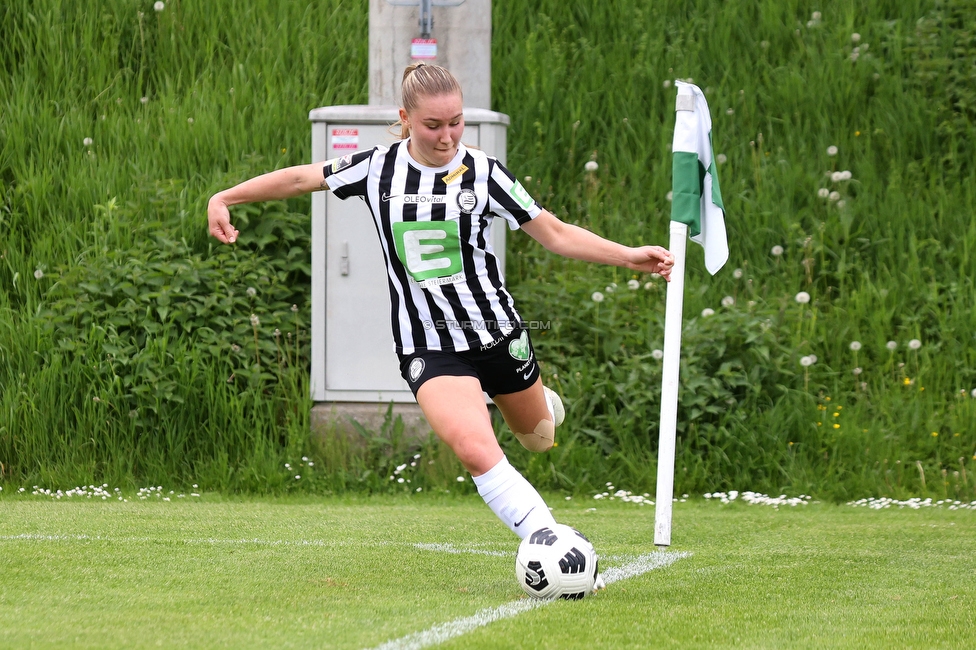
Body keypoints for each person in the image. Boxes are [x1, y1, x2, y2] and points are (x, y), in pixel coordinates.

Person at [208, 63, 673, 548]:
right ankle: (547, 540)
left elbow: (553, 233)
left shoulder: (485, 173)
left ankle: (540, 400)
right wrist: (225, 197)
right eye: (433, 125)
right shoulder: (376, 168)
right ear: (406, 118)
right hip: (427, 345)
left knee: (538, 437)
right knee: (476, 449)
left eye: (456, 122)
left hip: (498, 334)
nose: (447, 136)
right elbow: (301, 178)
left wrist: (627, 256)